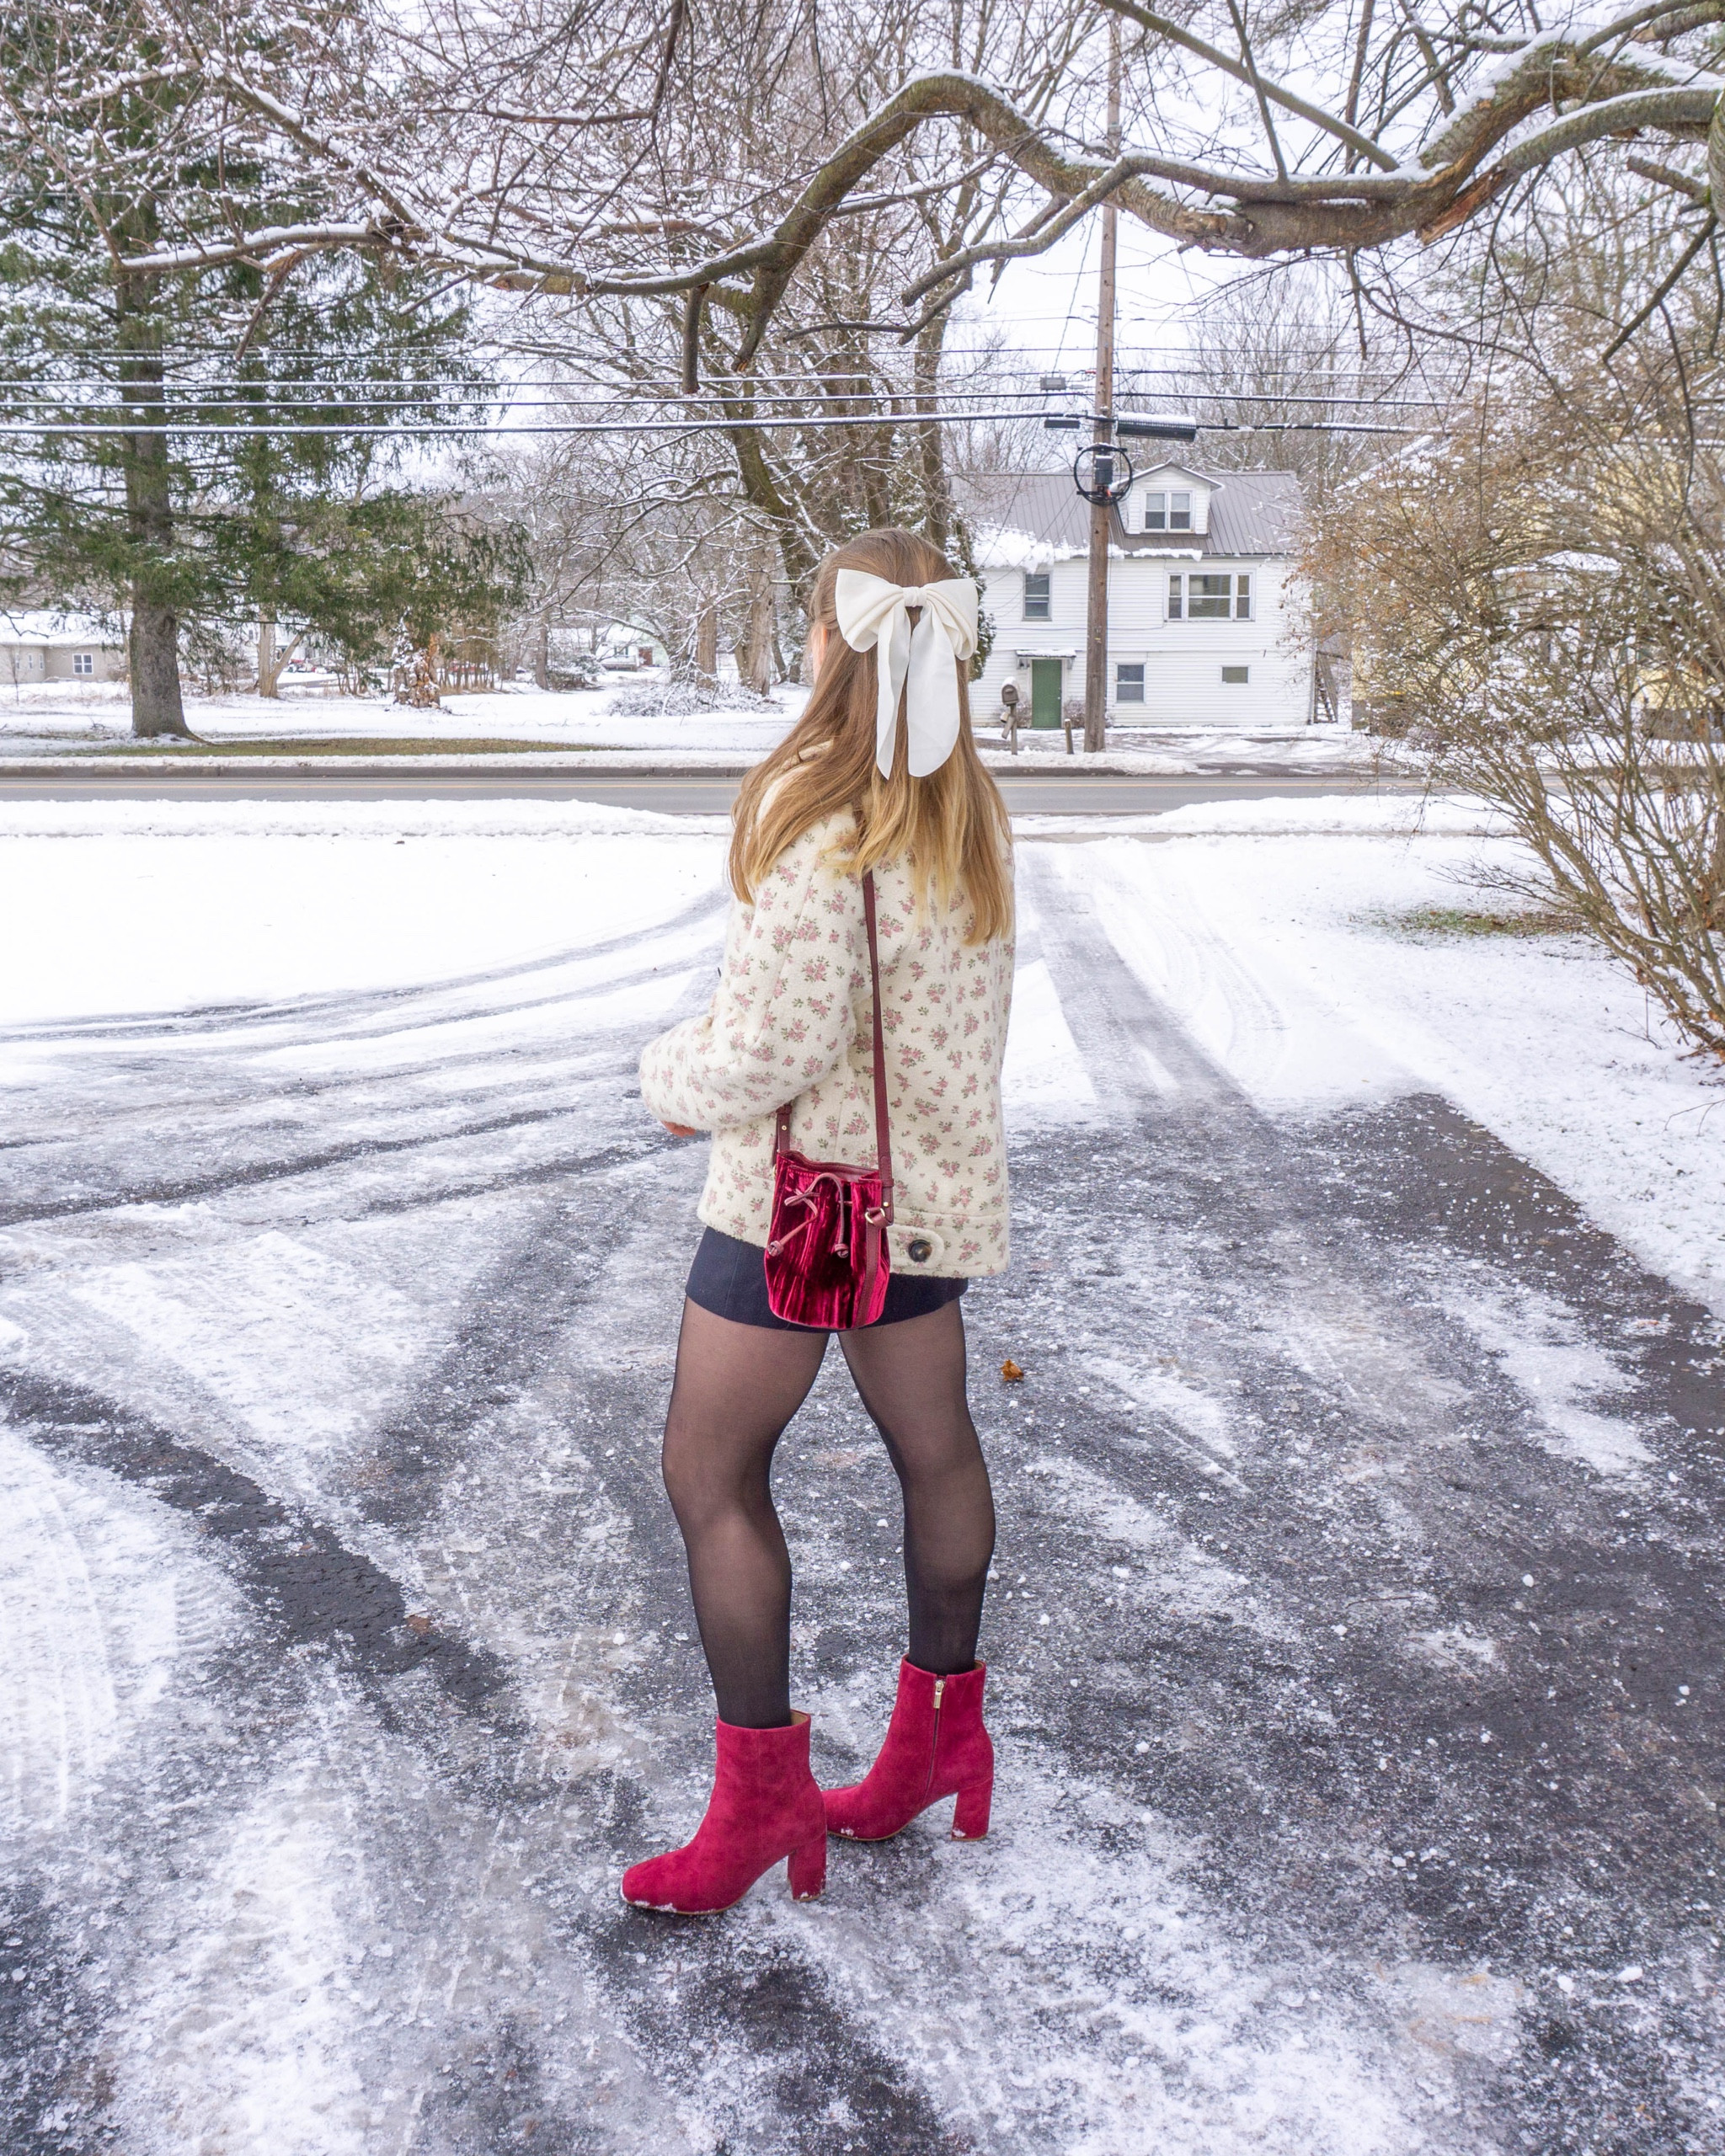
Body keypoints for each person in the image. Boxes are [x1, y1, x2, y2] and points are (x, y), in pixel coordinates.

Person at [622, 526, 1016, 1915]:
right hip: (925, 1207)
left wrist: (667, 1077)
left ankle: (760, 1803)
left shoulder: (816, 809)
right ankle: (938, 1743)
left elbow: (772, 1044)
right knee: (936, 1452)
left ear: (828, 644)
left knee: (709, 1476)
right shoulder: (962, 804)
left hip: (798, 1213)